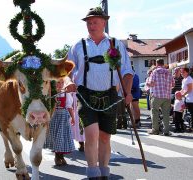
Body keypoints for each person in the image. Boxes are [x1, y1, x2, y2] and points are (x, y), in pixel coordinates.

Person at [65, 7, 133, 179]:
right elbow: (65, 72)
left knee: (104, 137)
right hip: (85, 95)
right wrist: (69, 82)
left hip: (110, 95)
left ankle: (103, 170)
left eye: (95, 22)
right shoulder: (78, 46)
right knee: (92, 133)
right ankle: (93, 172)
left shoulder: (116, 44)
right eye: (88, 22)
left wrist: (127, 92)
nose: (91, 25)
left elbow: (127, 71)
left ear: (104, 22)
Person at [44, 78, 75, 166]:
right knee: (56, 137)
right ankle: (57, 156)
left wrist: (73, 118)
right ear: (54, 83)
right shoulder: (51, 93)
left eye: (62, 83)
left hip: (63, 117)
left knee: (63, 136)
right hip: (54, 117)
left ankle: (61, 156)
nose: (60, 84)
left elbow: (69, 106)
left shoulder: (66, 93)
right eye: (58, 82)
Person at [146, 58, 174, 136]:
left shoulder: (154, 72)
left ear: (157, 64)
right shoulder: (168, 72)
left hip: (157, 95)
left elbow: (151, 83)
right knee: (166, 114)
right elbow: (173, 84)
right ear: (163, 63)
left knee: (155, 112)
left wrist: (148, 84)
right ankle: (166, 131)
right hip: (167, 96)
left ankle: (155, 130)